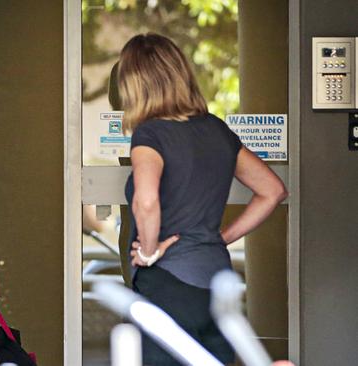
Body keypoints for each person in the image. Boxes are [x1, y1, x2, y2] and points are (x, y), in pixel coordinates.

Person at [118, 33, 288, 365]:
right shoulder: (216, 130)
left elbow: (146, 201)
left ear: (135, 84)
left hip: (169, 284)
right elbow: (273, 190)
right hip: (216, 284)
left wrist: (149, 251)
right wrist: (219, 239)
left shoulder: (150, 134)